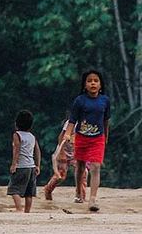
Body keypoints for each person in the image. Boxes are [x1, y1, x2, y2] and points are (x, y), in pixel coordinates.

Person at [64, 69, 110, 212]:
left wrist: (106, 137)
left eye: (96, 81)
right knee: (80, 167)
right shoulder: (80, 100)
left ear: (100, 85)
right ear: (85, 85)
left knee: (96, 167)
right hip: (82, 138)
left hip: (98, 138)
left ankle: (93, 199)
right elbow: (72, 120)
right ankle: (79, 192)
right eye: (89, 81)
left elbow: (106, 121)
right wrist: (68, 134)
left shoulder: (105, 101)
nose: (93, 83)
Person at [42, 119, 87, 202]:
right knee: (61, 175)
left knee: (83, 173)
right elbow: (61, 136)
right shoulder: (71, 122)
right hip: (64, 150)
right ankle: (48, 189)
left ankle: (81, 196)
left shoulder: (88, 122)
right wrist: (61, 152)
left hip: (76, 151)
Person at [7, 109, 41, 213]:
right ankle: (27, 211)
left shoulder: (17, 135)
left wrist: (14, 164)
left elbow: (16, 150)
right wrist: (38, 165)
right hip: (31, 167)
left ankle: (19, 209)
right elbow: (38, 151)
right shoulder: (32, 136)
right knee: (29, 192)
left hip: (21, 166)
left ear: (16, 123)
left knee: (14, 189)